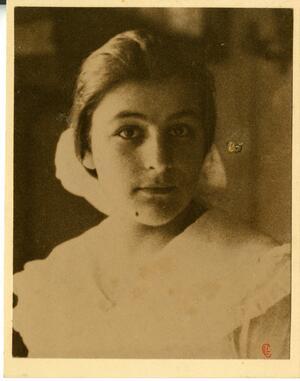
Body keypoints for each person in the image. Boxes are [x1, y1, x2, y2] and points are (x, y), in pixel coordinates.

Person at [13, 30, 291, 359]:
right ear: (86, 148)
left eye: (180, 131)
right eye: (129, 132)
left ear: (204, 146)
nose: (159, 162)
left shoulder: (260, 278)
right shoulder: (59, 277)